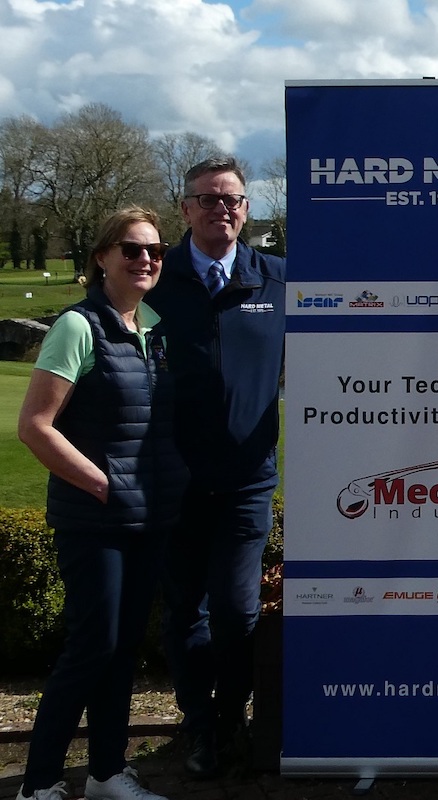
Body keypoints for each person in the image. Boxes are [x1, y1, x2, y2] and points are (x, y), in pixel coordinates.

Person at [16, 208, 188, 800]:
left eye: (155, 251)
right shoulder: (78, 326)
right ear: (102, 257)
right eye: (132, 249)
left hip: (148, 517)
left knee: (121, 650)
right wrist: (99, 481)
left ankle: (107, 774)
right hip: (95, 520)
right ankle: (39, 783)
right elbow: (35, 426)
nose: (146, 260)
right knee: (91, 649)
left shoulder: (155, 329)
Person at [146, 156, 286, 778]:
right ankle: (200, 725)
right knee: (184, 612)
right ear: (185, 208)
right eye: (207, 198)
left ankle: (230, 719)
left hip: (247, 479)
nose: (220, 209)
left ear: (246, 210)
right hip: (173, 480)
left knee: (236, 610)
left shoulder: (278, 280)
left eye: (231, 199)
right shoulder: (156, 278)